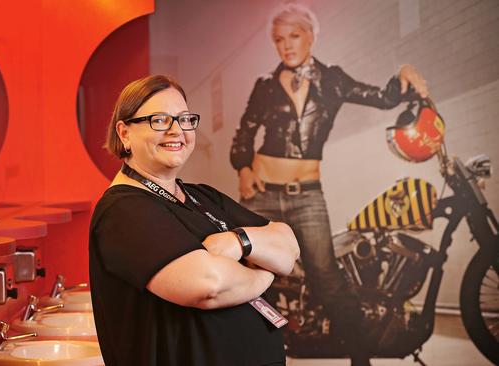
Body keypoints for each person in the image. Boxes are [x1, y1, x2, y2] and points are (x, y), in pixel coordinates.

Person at [229, 4, 429, 366]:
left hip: (307, 198)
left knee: (327, 278)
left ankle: (360, 358)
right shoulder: (265, 86)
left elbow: (383, 98)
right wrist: (243, 169)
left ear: (311, 36)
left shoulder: (333, 80)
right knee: (250, 278)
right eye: (279, 40)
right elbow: (243, 136)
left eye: (294, 36)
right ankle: (262, 354)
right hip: (262, 197)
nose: (286, 46)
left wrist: (403, 71)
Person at [89, 75, 300, 366]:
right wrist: (264, 273)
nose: (177, 131)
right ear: (124, 133)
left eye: (185, 119)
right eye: (160, 120)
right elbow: (208, 286)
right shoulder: (123, 209)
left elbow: (287, 246)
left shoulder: (202, 196)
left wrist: (239, 243)